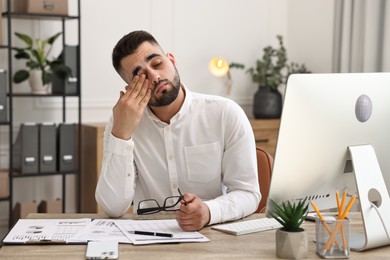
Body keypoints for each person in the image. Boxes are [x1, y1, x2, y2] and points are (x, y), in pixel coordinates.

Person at [95, 30, 260, 231]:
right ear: (131, 88)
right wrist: (121, 134)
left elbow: (248, 193)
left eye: (157, 64)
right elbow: (113, 207)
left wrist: (209, 211)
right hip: (148, 240)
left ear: (172, 60)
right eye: (141, 76)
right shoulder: (121, 123)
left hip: (212, 236)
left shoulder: (225, 113)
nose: (155, 76)